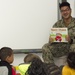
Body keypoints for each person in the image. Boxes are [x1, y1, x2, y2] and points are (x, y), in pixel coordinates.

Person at [42, 1, 75, 67]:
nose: (65, 12)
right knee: (45, 47)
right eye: (62, 11)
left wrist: (71, 40)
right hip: (60, 47)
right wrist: (51, 40)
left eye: (67, 10)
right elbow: (53, 39)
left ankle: (69, 69)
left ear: (70, 10)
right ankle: (51, 69)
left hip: (71, 47)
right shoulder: (57, 24)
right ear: (61, 12)